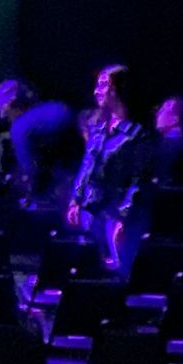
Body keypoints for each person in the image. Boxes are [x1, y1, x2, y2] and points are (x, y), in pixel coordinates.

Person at [70, 65, 156, 270]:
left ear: (118, 89)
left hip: (116, 213)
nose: (96, 91)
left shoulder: (138, 135)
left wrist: (124, 217)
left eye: (103, 85)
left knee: (121, 268)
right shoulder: (99, 130)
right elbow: (86, 167)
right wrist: (76, 199)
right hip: (92, 210)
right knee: (89, 268)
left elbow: (139, 180)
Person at [0, 79, 82, 206]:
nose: (4, 117)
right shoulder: (55, 107)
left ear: (10, 107)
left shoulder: (19, 127)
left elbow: (30, 169)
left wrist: (31, 194)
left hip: (62, 189)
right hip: (79, 174)